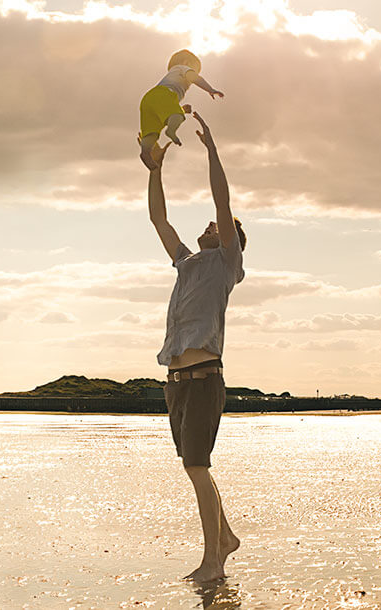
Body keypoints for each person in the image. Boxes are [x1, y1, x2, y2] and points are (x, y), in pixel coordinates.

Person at [145, 111, 246, 582]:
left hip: (205, 379)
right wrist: (156, 170)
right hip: (176, 383)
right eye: (207, 225)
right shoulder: (186, 263)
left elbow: (222, 203)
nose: (208, 224)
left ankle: (213, 560)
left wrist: (213, 151)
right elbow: (159, 219)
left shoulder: (226, 263)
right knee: (194, 469)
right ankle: (224, 539)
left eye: (216, 226)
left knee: (198, 467)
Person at [139, 49, 223, 171]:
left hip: (148, 100)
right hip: (163, 94)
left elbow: (165, 106)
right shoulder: (182, 68)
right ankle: (171, 131)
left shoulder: (172, 75)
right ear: (186, 62)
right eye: (195, 69)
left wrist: (182, 109)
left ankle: (145, 152)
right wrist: (210, 89)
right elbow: (195, 78)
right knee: (177, 117)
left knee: (152, 132)